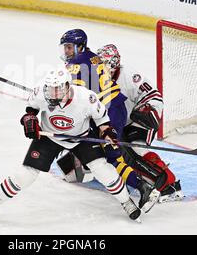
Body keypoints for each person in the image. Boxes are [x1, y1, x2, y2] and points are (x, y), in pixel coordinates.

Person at [0, 67, 143, 224]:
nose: (52, 93)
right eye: (50, 89)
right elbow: (31, 109)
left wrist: (107, 134)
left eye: (56, 89)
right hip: (50, 137)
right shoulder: (40, 93)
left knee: (103, 170)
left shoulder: (87, 98)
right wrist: (29, 119)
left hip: (81, 138)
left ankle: (127, 202)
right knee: (25, 174)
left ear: (67, 86)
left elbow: (102, 121)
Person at [58, 29, 161, 210]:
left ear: (80, 46)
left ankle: (144, 187)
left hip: (110, 113)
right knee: (90, 146)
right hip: (109, 108)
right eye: (64, 47)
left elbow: (76, 95)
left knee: (110, 157)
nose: (66, 52)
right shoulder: (89, 57)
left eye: (69, 47)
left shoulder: (78, 63)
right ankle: (94, 167)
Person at [96, 44, 184, 202]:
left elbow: (154, 95)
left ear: (113, 63)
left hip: (143, 118)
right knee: (115, 150)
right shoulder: (98, 79)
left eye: (103, 64)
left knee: (135, 149)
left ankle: (169, 185)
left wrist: (148, 110)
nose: (99, 68)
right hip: (123, 121)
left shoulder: (130, 76)